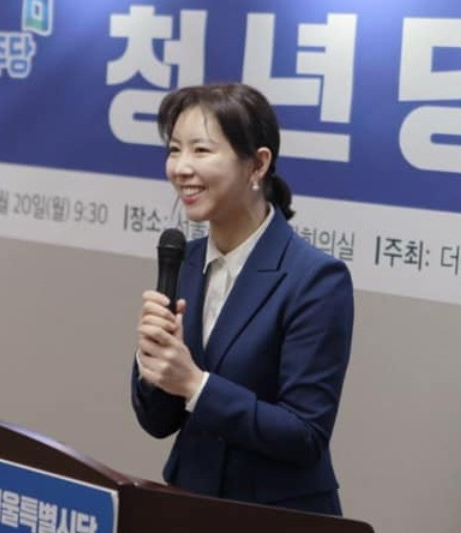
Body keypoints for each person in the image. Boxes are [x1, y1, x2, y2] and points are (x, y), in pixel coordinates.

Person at [131, 82, 354, 516]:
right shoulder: (184, 260)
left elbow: (305, 434)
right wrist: (152, 364)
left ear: (258, 164)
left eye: (201, 150)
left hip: (276, 516)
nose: (181, 167)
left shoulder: (315, 278)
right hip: (190, 506)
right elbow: (157, 422)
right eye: (174, 150)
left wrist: (195, 385)